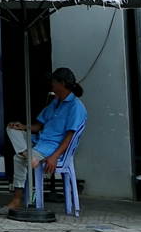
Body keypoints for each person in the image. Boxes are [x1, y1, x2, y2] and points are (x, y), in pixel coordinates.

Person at [6, 67, 86, 215]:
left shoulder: (76, 107)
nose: (51, 83)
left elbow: (70, 136)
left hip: (51, 148)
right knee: (11, 129)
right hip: (38, 141)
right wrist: (24, 127)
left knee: (18, 159)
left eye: (54, 81)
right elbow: (39, 125)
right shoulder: (55, 103)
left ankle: (16, 200)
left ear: (62, 84)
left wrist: (55, 156)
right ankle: (27, 154)